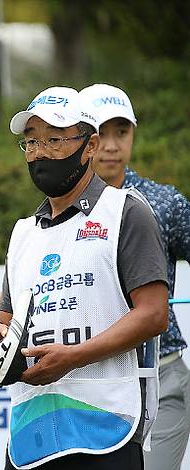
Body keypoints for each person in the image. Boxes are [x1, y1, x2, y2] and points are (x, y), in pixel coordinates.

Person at [0, 86, 169, 469]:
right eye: (31, 141)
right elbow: (7, 320)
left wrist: (74, 357)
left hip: (106, 429)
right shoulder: (23, 233)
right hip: (31, 433)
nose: (40, 152)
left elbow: (153, 315)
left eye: (54, 140)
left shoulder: (126, 212)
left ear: (90, 145)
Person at [80, 83, 190, 470]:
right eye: (100, 133)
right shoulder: (61, 211)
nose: (111, 146)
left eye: (122, 132)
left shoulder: (164, 203)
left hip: (161, 373)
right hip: (92, 381)